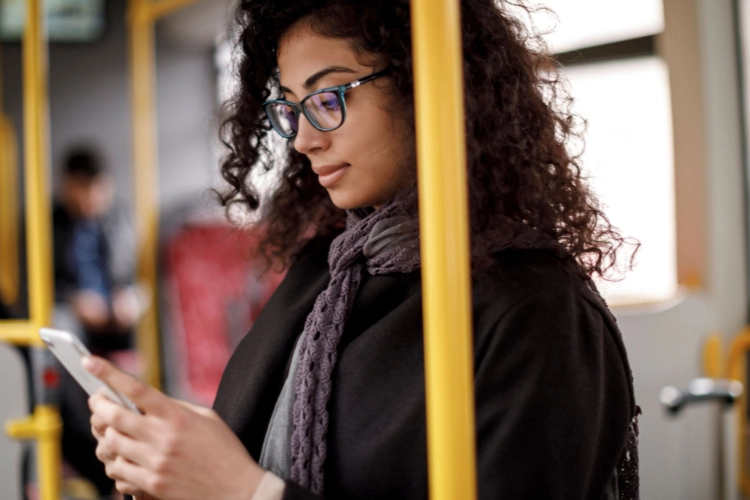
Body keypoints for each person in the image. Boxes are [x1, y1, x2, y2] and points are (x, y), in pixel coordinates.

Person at [85, 1, 640, 499]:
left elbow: (246, 481)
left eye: (329, 98)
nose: (304, 139)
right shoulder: (324, 271)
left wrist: (238, 491)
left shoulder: (539, 311)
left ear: (426, 85)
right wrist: (169, 465)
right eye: (293, 107)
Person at [52, 147, 142, 497]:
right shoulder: (48, 225)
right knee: (58, 322)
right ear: (67, 187)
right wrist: (73, 300)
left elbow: (132, 276)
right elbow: (37, 287)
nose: (91, 199)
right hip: (73, 318)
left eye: (98, 189)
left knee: (140, 302)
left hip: (115, 320)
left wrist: (129, 295)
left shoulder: (120, 219)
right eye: (83, 189)